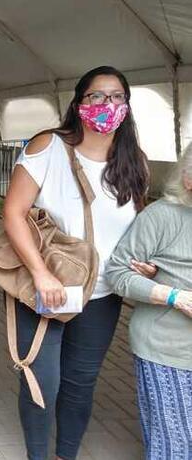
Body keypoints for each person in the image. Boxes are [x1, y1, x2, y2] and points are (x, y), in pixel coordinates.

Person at [2, 66, 150, 460]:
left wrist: (141, 264)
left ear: (127, 105)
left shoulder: (135, 162)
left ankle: (65, 454)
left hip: (102, 295)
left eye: (117, 96)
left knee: (80, 382)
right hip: (48, 287)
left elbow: (135, 231)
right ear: (78, 103)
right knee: (41, 379)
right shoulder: (47, 147)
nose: (107, 105)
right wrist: (40, 273)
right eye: (97, 96)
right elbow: (14, 213)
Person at [106, 144, 192, 460]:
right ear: (188, 179)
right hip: (167, 349)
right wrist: (173, 295)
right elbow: (117, 272)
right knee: (176, 446)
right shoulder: (161, 216)